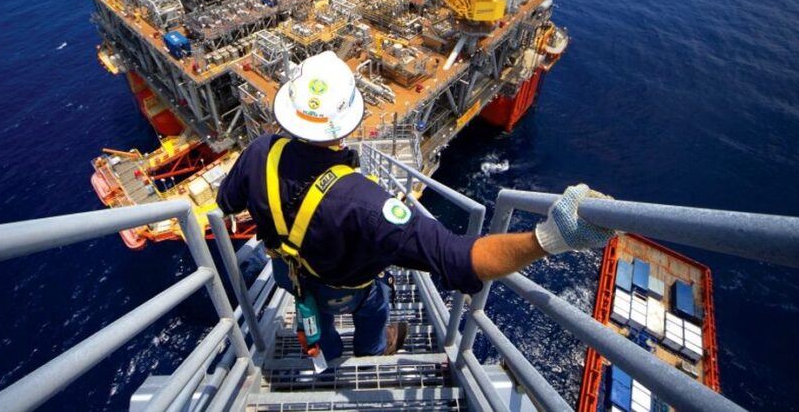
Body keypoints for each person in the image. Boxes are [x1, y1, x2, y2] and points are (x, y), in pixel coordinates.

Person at [217, 51, 615, 361]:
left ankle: (328, 353)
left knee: (314, 317)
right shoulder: (369, 203)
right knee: (375, 304)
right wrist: (549, 237)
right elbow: (460, 257)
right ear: (350, 120)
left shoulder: (258, 153)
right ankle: (373, 350)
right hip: (347, 290)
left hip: (289, 277)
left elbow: (226, 202)